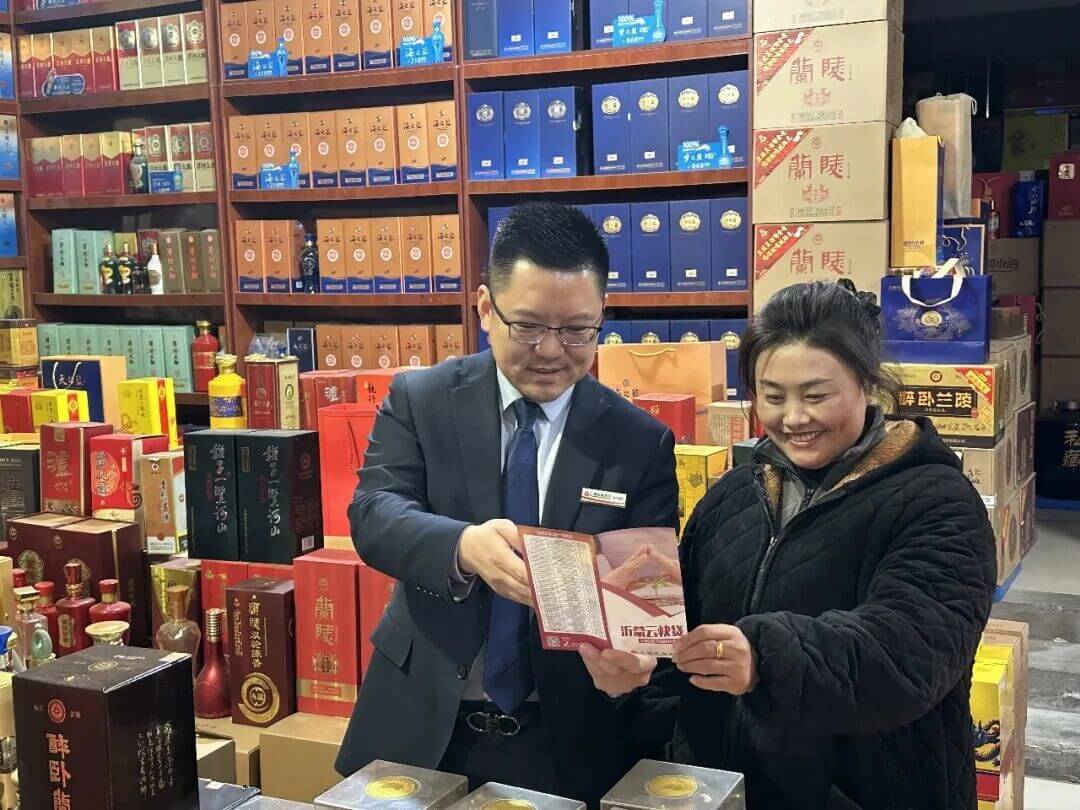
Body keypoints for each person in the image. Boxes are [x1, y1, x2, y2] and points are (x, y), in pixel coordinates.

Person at [581, 280, 997, 809]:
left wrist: (764, 658)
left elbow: (906, 654)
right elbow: (683, 635)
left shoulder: (938, 503)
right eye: (773, 397)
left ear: (867, 384)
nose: (794, 418)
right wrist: (635, 671)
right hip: (724, 794)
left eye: (816, 396)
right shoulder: (733, 494)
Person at [335, 202, 679, 804]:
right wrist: (461, 546)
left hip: (564, 736)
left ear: (602, 315)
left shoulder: (639, 441)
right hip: (422, 722)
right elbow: (374, 514)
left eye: (578, 331)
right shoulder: (422, 399)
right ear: (485, 309)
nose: (551, 350)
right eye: (528, 326)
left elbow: (648, 594)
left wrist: (633, 663)